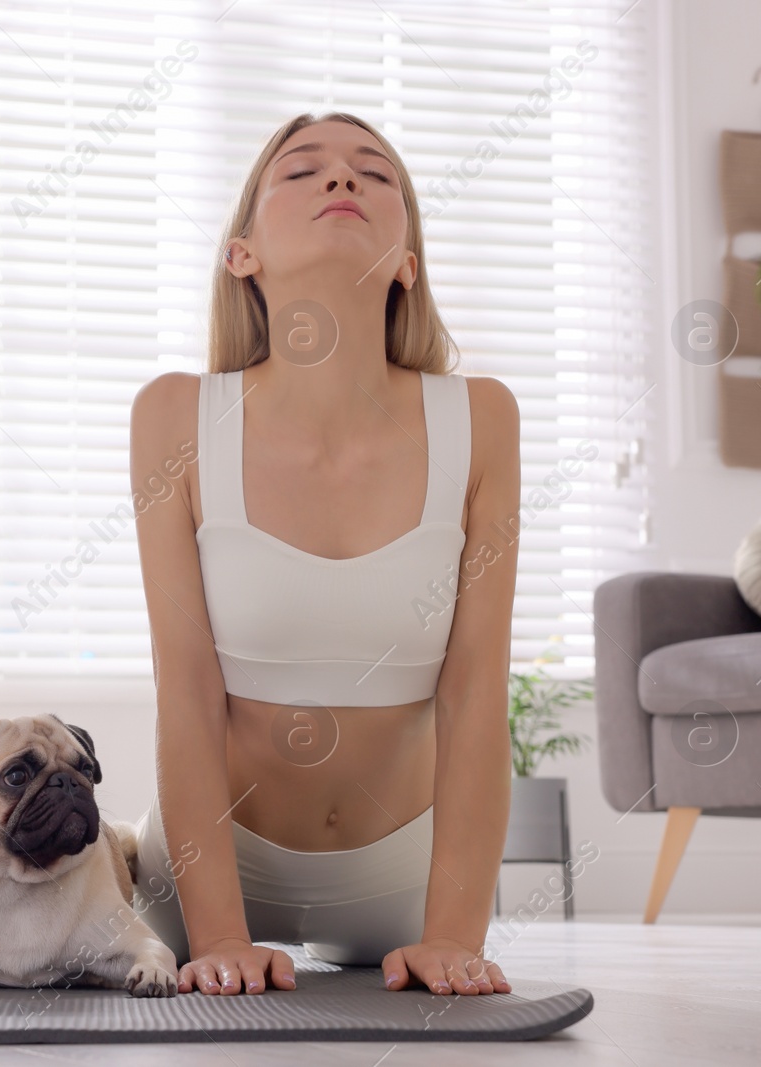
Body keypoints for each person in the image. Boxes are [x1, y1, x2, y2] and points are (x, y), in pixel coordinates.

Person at [126, 111, 520, 998]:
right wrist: (220, 935)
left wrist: (454, 936)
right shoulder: (174, 418)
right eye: (302, 172)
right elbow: (185, 689)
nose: (342, 181)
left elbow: (474, 689)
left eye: (374, 174)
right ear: (243, 254)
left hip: (409, 883)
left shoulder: (482, 418)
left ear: (407, 261)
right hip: (213, 879)